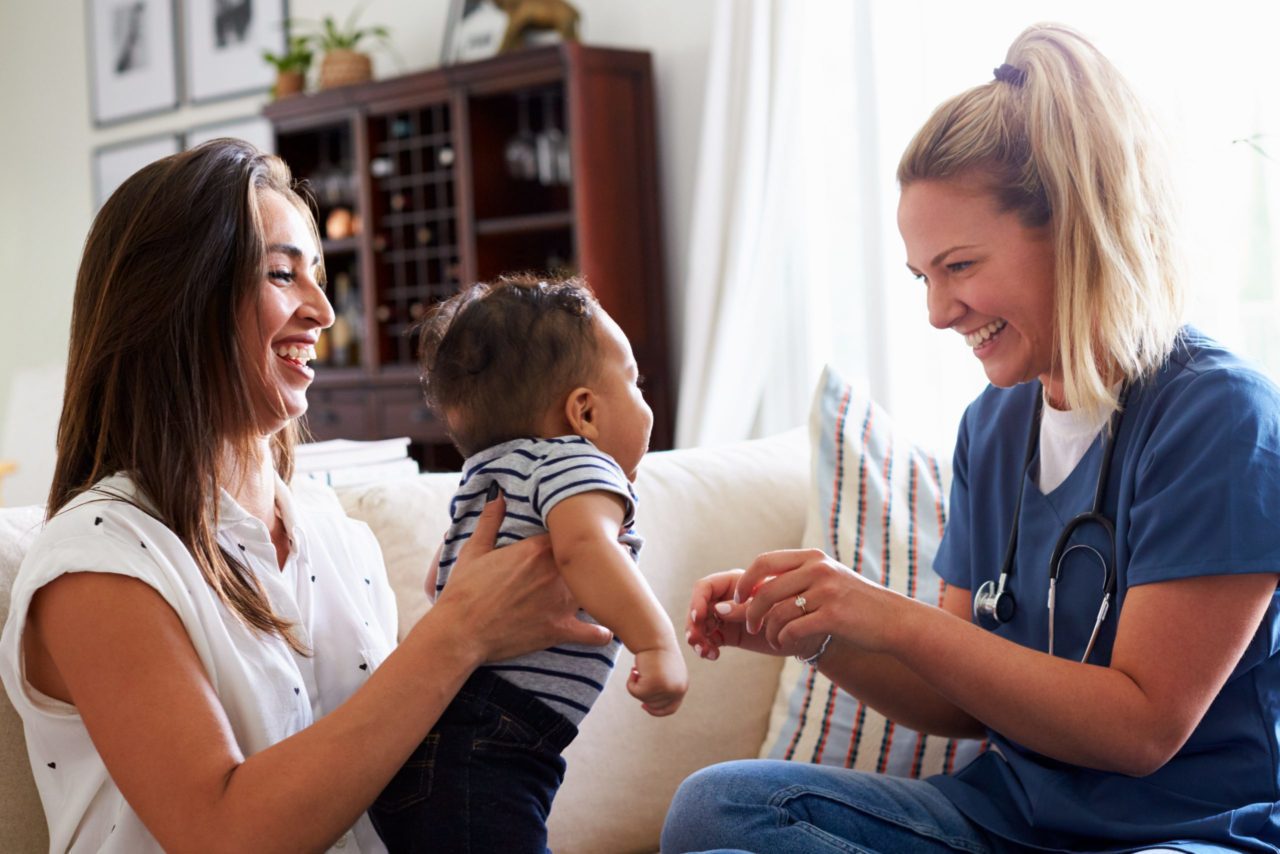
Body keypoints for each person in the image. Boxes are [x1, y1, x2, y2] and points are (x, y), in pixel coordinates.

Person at [664, 22, 1280, 854]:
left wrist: (892, 615)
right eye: (923, 277)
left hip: (1181, 832)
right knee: (723, 808)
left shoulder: (1219, 418)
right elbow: (956, 705)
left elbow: (1143, 730)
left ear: (1073, 231)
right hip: (1006, 818)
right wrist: (821, 634)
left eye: (959, 267)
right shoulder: (992, 429)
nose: (937, 312)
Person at [0, 139, 612, 853]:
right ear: (174, 301)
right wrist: (460, 630)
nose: (322, 310)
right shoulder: (98, 564)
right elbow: (222, 834)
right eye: (283, 274)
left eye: (319, 276)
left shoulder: (331, 529)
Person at [369, 275, 686, 852]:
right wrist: (657, 643)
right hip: (495, 740)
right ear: (584, 412)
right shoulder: (579, 462)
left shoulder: (493, 472)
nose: (646, 402)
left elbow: (440, 575)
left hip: (444, 729)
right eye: (634, 383)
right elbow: (585, 548)